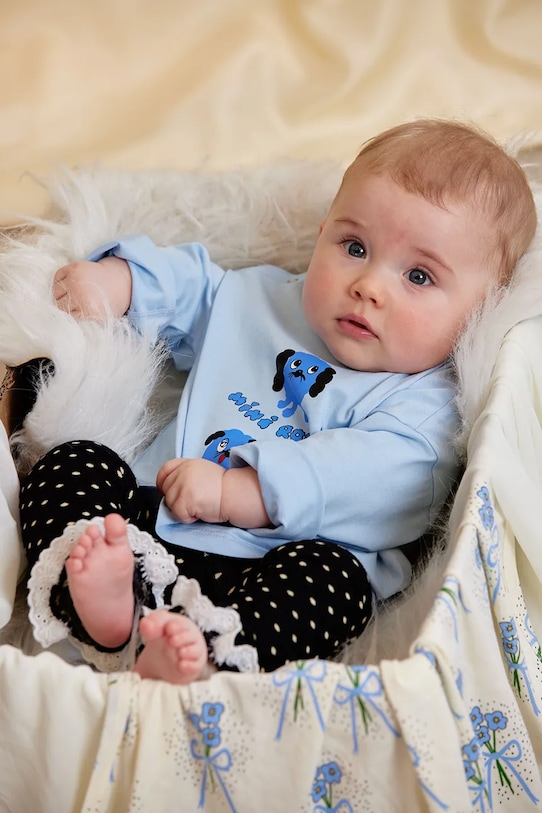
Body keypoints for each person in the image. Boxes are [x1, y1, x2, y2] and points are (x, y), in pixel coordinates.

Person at [20, 118, 537, 683]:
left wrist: (239, 492)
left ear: (483, 307)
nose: (369, 286)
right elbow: (191, 285)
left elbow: (374, 477)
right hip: (150, 522)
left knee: (337, 582)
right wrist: (120, 282)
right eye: (355, 247)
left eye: (418, 275)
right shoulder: (261, 300)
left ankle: (212, 652)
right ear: (321, 236)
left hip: (277, 567)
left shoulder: (427, 406)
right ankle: (104, 604)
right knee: (74, 461)